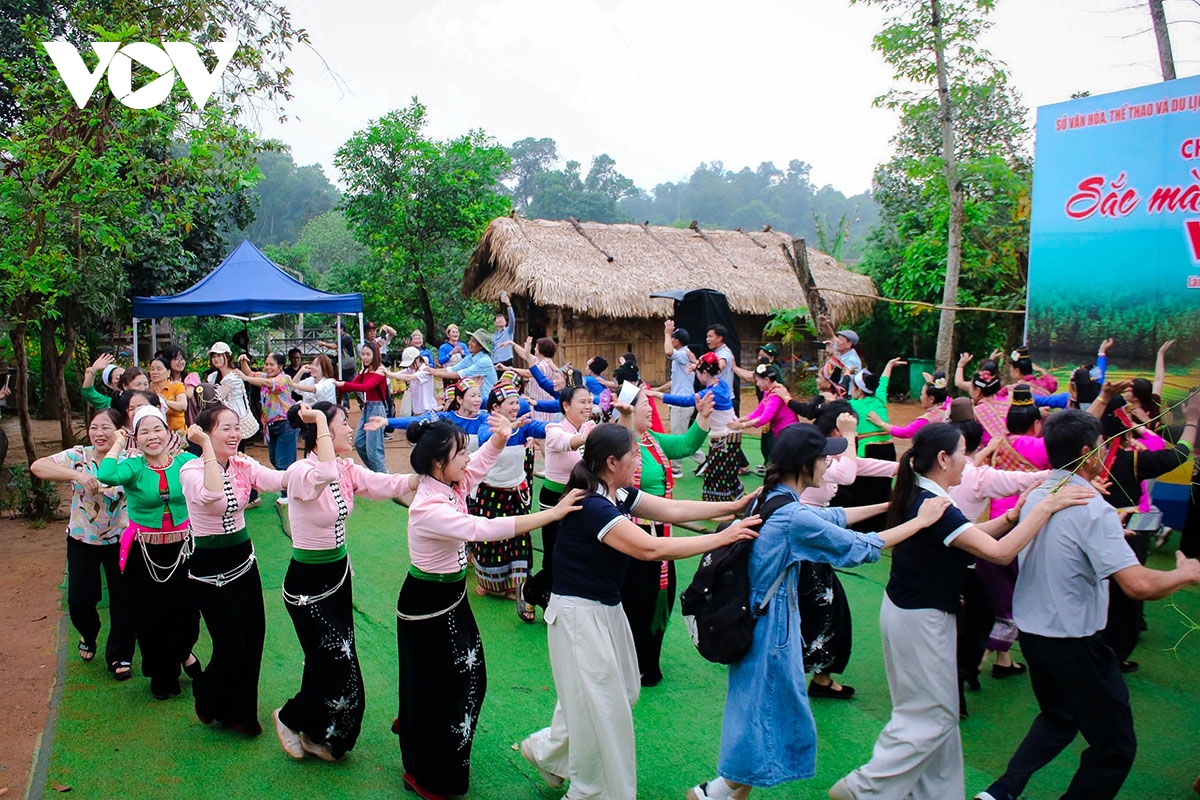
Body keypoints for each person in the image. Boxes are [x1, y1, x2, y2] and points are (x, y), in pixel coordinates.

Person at [686, 423, 949, 800]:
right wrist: (919, 521)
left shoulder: (774, 498)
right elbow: (860, 547)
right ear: (806, 465)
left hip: (762, 620)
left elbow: (834, 518)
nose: (830, 462)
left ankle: (730, 791)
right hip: (769, 626)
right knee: (763, 710)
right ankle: (712, 792)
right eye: (825, 457)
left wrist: (892, 505)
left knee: (765, 709)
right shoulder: (793, 516)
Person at [831, 423, 1092, 800]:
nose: (967, 462)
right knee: (932, 716)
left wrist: (1015, 515)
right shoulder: (933, 504)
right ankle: (863, 789)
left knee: (939, 714)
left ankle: (935, 794)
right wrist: (1044, 508)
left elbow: (968, 535)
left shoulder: (924, 496)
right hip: (920, 619)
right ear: (942, 459)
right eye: (963, 453)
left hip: (909, 612)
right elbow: (998, 553)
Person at [520, 423, 762, 800]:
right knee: (603, 707)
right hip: (578, 616)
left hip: (604, 610)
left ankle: (548, 752)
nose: (640, 460)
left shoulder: (615, 492)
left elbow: (671, 508)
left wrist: (733, 507)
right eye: (634, 454)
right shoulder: (593, 506)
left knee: (621, 691)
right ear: (612, 461)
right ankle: (590, 791)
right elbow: (650, 548)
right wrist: (723, 537)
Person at [974, 410, 1200, 800]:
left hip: (1034, 636)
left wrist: (1112, 523)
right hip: (1075, 643)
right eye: (1100, 445)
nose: (1105, 450)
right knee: (1115, 748)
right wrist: (1187, 573)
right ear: (1087, 452)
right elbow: (1138, 585)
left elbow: (1071, 538)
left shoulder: (1041, 492)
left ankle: (1000, 792)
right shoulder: (1091, 507)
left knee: (1059, 717)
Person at [395, 417, 584, 800]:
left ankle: (417, 726)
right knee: (444, 688)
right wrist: (552, 513)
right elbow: (483, 529)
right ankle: (422, 770)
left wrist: (499, 438)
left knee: (466, 680)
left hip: (450, 599)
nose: (468, 458)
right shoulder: (428, 506)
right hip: (426, 604)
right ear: (437, 463)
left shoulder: (450, 483)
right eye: (460, 452)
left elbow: (480, 465)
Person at [273, 402, 420, 763]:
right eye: (341, 423)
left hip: (338, 577)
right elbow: (321, 472)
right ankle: (289, 718)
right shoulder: (302, 472)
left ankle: (322, 735)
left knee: (339, 661)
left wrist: (421, 477)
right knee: (332, 660)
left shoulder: (345, 468)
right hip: (307, 586)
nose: (348, 429)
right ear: (320, 432)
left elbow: (382, 483)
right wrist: (320, 417)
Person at [180, 405, 286, 735]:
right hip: (208, 566)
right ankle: (207, 691)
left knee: (253, 638)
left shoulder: (243, 464)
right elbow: (212, 494)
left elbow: (274, 479)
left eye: (236, 427)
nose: (235, 434)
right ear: (205, 434)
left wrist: (308, 473)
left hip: (244, 559)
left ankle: (241, 713)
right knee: (229, 644)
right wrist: (208, 450)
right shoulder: (191, 471)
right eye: (225, 428)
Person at [95, 406, 201, 700]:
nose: (152, 437)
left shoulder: (186, 461)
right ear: (136, 438)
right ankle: (162, 674)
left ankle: (184, 653)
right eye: (144, 431)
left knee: (187, 613)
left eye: (158, 429)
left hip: (182, 549)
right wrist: (119, 441)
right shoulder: (134, 467)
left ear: (168, 433)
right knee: (150, 617)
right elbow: (105, 474)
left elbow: (212, 474)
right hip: (144, 553)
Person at [616, 383, 717, 686]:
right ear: (628, 409)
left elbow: (686, 446)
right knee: (636, 600)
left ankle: (648, 661)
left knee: (663, 595)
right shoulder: (621, 444)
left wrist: (701, 418)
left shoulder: (652, 441)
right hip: (633, 536)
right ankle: (630, 662)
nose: (651, 408)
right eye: (644, 403)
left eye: (649, 402)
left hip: (662, 534)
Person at [31, 409, 134, 680]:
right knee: (79, 601)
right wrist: (76, 476)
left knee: (124, 600)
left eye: (105, 428)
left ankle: (120, 655)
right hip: (82, 539)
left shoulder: (130, 459)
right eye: (94, 427)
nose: (99, 433)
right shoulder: (79, 455)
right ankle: (89, 632)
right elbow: (38, 466)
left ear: (120, 431)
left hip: (121, 541)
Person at [523, 383, 596, 613]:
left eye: (590, 401)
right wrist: (590, 436)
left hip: (580, 497)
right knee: (554, 554)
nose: (588, 406)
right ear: (566, 406)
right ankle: (533, 591)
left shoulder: (590, 427)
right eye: (582, 402)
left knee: (575, 552)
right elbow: (568, 442)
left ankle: (549, 593)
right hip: (554, 498)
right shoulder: (555, 428)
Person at [656, 352, 740, 504]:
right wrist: (696, 366)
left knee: (716, 475)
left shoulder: (710, 393)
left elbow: (686, 400)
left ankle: (722, 507)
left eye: (698, 372)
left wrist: (658, 395)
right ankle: (734, 500)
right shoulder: (721, 384)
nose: (697, 376)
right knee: (728, 473)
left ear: (705, 373)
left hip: (724, 438)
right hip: (731, 436)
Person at [237, 352, 298, 503]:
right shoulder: (265, 376)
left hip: (286, 424)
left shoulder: (284, 378)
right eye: (267, 364)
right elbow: (250, 373)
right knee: (274, 459)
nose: (268, 367)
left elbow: (265, 384)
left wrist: (245, 378)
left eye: (272, 364)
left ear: (281, 366)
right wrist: (243, 360)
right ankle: (290, 490)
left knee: (284, 462)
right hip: (271, 426)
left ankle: (287, 495)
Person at [334, 340, 389, 473]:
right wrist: (339, 384)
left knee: (374, 450)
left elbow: (365, 387)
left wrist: (343, 385)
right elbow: (352, 385)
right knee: (359, 443)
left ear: (375, 355)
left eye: (368, 354)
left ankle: (383, 479)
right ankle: (376, 474)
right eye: (363, 354)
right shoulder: (364, 371)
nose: (364, 357)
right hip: (367, 407)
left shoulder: (380, 370)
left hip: (377, 409)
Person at [867, 370, 949, 440]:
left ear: (931, 399)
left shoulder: (926, 420)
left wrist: (880, 422)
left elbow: (904, 432)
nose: (921, 397)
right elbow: (944, 395)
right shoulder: (948, 406)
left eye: (922, 394)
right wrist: (934, 386)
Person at [664, 320, 697, 475]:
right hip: (679, 400)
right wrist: (657, 389)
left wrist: (667, 332)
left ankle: (677, 469)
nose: (670, 340)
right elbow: (674, 380)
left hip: (682, 402)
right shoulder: (684, 356)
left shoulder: (683, 354)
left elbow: (668, 352)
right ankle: (703, 460)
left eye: (672, 338)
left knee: (678, 436)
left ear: (676, 340)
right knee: (680, 435)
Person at [430, 328, 498, 398]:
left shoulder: (484, 361)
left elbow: (459, 374)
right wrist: (432, 371)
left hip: (486, 399)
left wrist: (435, 373)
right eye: (470, 340)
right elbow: (453, 368)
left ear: (481, 346)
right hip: (476, 397)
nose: (469, 343)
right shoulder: (470, 357)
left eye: (473, 341)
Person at [148, 356, 188, 433]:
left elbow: (183, 406)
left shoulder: (177, 386)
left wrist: (164, 402)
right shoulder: (148, 389)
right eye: (152, 369)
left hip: (178, 433)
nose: (155, 372)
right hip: (156, 434)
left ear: (168, 372)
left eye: (159, 369)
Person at [491, 290, 516, 365]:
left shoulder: (509, 331)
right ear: (495, 323)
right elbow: (493, 349)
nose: (500, 320)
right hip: (495, 361)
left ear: (505, 322)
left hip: (507, 360)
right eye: (498, 319)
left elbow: (512, 319)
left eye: (502, 318)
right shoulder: (493, 336)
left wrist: (509, 305)